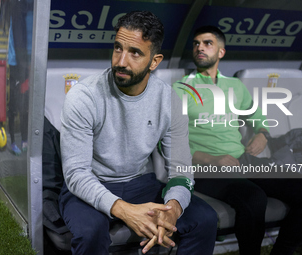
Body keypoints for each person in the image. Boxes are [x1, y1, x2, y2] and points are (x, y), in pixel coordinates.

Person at [59, 11, 218, 255]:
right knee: (90, 232)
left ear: (155, 61)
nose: (121, 61)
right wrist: (124, 210)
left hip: (139, 183)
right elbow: (76, 173)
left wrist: (173, 208)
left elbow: (182, 170)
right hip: (90, 183)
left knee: (205, 219)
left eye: (135, 53)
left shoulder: (169, 100)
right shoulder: (84, 96)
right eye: (117, 48)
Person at [173, 25, 302, 255]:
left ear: (221, 52)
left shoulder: (234, 86)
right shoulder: (181, 89)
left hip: (242, 160)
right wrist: (212, 159)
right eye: (196, 43)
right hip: (204, 167)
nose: (199, 47)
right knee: (253, 198)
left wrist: (263, 133)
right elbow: (171, 140)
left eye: (207, 43)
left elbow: (258, 115)